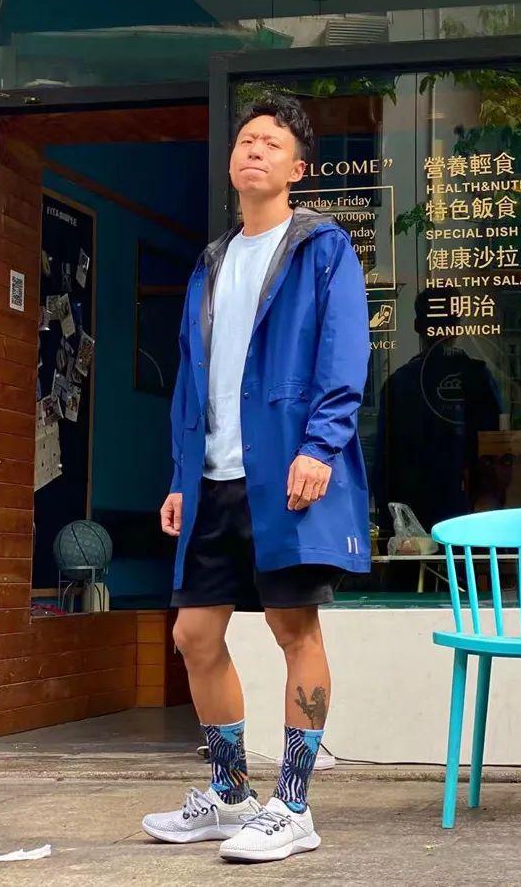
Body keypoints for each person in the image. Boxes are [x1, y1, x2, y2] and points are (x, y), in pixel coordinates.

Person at [142, 93, 370, 863]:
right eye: (246, 140)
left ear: (297, 168)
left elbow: (344, 353)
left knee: (293, 627)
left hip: (287, 471)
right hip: (214, 476)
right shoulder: (211, 262)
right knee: (194, 633)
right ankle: (231, 792)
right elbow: (190, 377)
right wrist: (182, 475)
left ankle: (294, 806)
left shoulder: (323, 248)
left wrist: (320, 447)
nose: (254, 149)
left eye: (271, 142)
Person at [374, 288, 501, 535]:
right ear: (457, 326)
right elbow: (496, 441)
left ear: (417, 326)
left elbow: (383, 464)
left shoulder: (399, 382)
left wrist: (387, 520)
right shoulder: (477, 376)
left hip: (414, 508)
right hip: (465, 506)